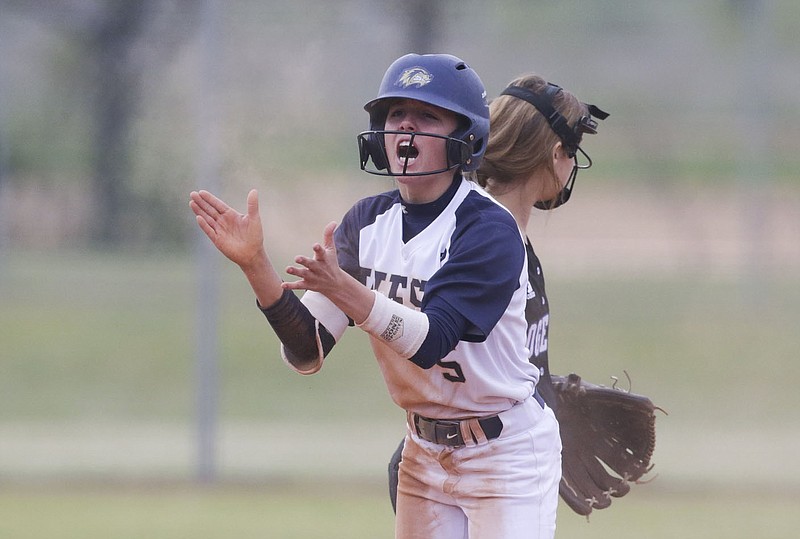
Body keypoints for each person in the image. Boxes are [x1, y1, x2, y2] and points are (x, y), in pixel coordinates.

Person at [190, 53, 561, 539]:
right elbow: (307, 350)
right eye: (394, 114)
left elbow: (433, 341)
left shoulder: (488, 228)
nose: (405, 127)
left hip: (505, 454)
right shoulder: (366, 222)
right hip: (424, 452)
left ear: (465, 138)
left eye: (427, 115)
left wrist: (346, 290)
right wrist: (257, 266)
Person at [386, 73, 610, 517]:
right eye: (573, 153)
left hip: (475, 461)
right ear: (555, 154)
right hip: (465, 469)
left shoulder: (501, 236)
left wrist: (542, 400)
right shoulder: (483, 239)